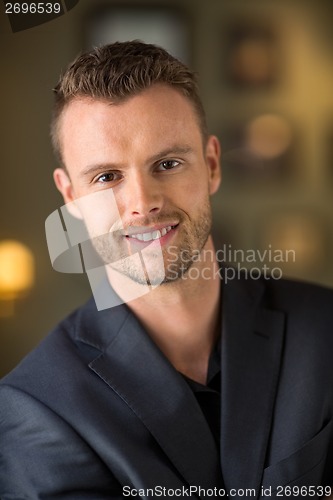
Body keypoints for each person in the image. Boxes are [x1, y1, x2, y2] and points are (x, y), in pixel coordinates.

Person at [0, 41, 333, 500]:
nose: (143, 203)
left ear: (212, 164)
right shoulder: (35, 405)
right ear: (71, 196)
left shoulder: (325, 329)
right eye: (106, 177)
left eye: (168, 163)